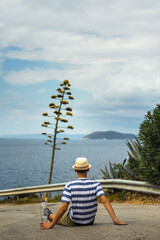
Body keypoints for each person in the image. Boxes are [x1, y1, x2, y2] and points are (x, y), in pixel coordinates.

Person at [40, 157, 128, 229]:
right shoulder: (96, 184)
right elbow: (104, 200)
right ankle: (51, 216)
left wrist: (51, 225)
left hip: (74, 221)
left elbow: (64, 208)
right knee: (63, 218)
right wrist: (115, 220)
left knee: (60, 221)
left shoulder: (69, 185)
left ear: (75, 170)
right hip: (90, 220)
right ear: (88, 169)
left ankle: (50, 216)